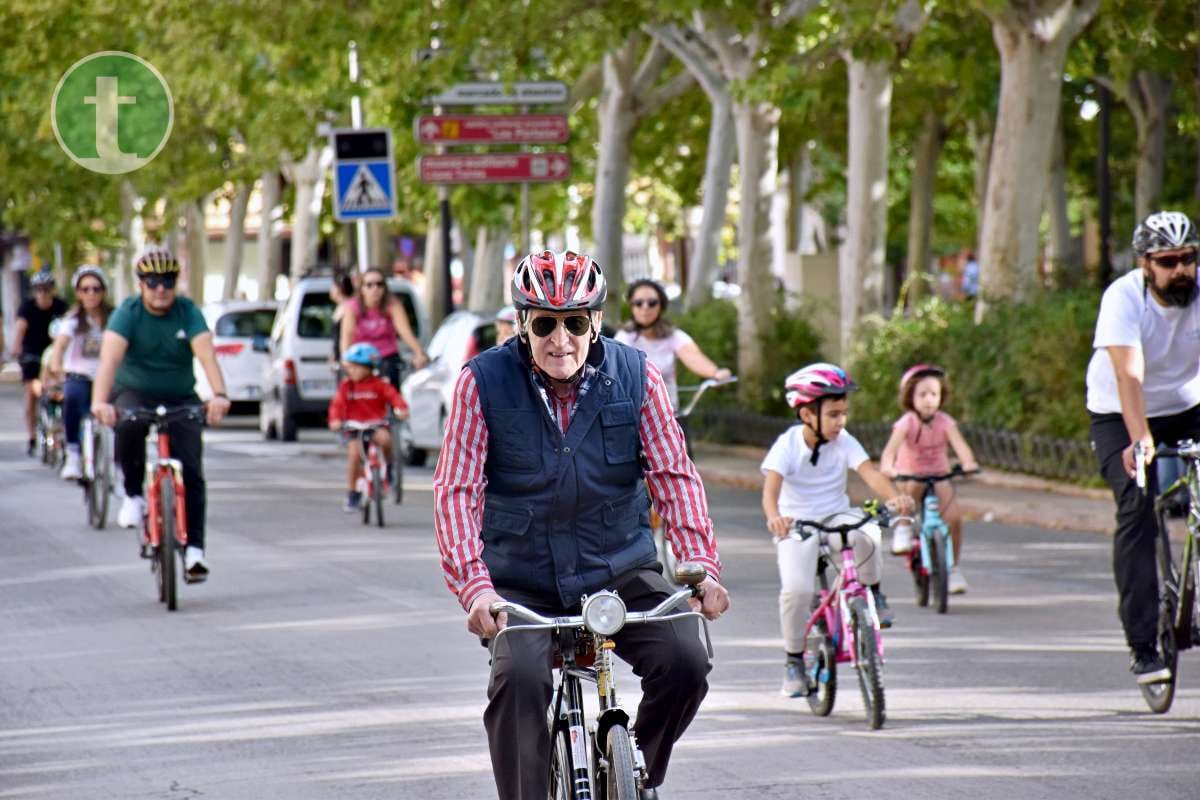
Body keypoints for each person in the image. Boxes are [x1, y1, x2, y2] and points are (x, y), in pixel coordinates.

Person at [433, 250, 730, 800]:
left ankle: (635, 771)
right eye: (544, 323)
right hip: (522, 582)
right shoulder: (483, 382)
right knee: (518, 681)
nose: (560, 338)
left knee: (688, 656)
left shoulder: (637, 376)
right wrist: (474, 588)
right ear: (523, 323)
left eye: (575, 321)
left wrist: (701, 568)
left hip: (619, 568)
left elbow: (674, 476)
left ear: (595, 320)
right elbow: (457, 491)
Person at [1086, 210, 1200, 686]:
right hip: (1120, 410)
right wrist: (1140, 440)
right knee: (1136, 510)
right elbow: (1129, 374)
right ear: (1146, 264)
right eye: (1168, 261)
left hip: (1188, 404)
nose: (1180, 270)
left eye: (1188, 259)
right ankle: (1144, 647)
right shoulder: (1123, 297)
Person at [761, 363, 914, 697]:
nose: (840, 422)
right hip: (796, 523)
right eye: (833, 414)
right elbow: (770, 492)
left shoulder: (844, 441)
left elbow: (869, 472)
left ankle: (872, 592)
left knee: (867, 532)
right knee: (797, 591)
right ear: (806, 415)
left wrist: (895, 498)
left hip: (835, 515)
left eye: (843, 413)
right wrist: (775, 518)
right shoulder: (787, 445)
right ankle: (793, 661)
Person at [91, 246, 231, 583]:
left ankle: (195, 551)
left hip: (180, 394)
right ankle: (134, 495)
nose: (160, 290)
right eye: (152, 282)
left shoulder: (187, 312)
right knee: (127, 423)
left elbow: (207, 355)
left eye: (167, 282)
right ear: (141, 284)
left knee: (193, 470)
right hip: (135, 391)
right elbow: (109, 361)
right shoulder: (128, 312)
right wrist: (100, 402)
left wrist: (220, 395)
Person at [879, 364, 980, 593]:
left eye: (934, 394)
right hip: (910, 475)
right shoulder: (906, 423)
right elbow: (889, 451)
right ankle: (904, 527)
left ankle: (952, 568)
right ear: (910, 397)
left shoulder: (945, 421)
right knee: (914, 486)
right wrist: (888, 467)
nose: (929, 400)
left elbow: (960, 446)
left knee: (953, 519)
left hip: (938, 474)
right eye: (922, 395)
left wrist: (968, 463)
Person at [615, 279, 730, 410]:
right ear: (632, 306)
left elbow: (693, 357)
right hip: (635, 414)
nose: (645, 307)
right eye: (638, 303)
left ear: (661, 306)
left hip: (669, 414)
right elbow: (618, 368)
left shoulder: (672, 335)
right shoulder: (624, 337)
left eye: (652, 303)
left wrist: (715, 373)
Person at [47, 266, 112, 480]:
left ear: (103, 291)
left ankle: (121, 471)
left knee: (126, 415)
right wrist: (56, 367)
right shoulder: (72, 321)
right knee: (72, 397)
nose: (91, 294)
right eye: (85, 289)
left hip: (109, 378)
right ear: (78, 293)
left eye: (96, 289)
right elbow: (59, 348)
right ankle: (73, 454)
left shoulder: (115, 318)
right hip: (79, 377)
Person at [328, 342, 409, 512]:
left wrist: (401, 408)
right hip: (355, 429)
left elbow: (394, 397)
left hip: (375, 426)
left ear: (369, 368)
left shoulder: (379, 384)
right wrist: (335, 420)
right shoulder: (346, 386)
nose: (352, 371)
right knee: (354, 456)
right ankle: (353, 493)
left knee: (386, 440)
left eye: (356, 367)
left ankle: (388, 468)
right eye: (350, 367)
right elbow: (337, 405)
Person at [339, 266, 428, 389]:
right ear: (362, 289)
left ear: (384, 288)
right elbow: (346, 335)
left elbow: (404, 331)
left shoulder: (392, 304)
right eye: (369, 285)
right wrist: (346, 360)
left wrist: (419, 352)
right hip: (360, 359)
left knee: (392, 393)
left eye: (379, 284)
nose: (375, 289)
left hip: (387, 358)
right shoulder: (353, 307)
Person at [10, 271, 68, 455]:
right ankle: (31, 436)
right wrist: (16, 349)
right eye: (39, 290)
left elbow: (70, 328)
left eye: (46, 289)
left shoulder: (61, 307)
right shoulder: (27, 308)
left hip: (54, 353)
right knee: (31, 392)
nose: (43, 293)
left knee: (63, 390)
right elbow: (20, 330)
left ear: (52, 290)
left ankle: (62, 431)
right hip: (33, 355)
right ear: (34, 291)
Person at [329, 271, 356, 366]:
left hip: (348, 355)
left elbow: (347, 334)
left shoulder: (350, 307)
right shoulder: (340, 307)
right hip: (340, 355)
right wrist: (334, 354)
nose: (330, 290)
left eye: (333, 287)